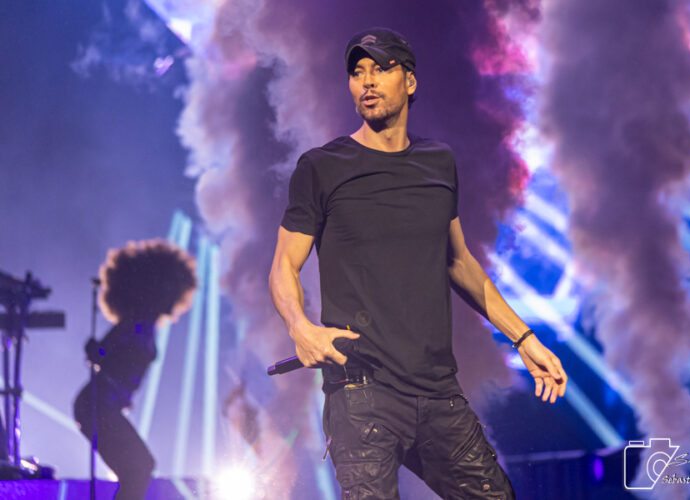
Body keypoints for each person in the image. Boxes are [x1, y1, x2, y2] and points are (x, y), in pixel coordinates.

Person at [268, 27, 568, 499]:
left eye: (381, 69)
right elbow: (283, 266)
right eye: (357, 72)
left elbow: (459, 261)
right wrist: (300, 328)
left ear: (409, 81)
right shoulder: (322, 166)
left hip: (437, 392)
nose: (367, 81)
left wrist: (523, 338)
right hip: (361, 393)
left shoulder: (438, 162)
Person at [74, 239, 196, 500]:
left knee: (138, 468)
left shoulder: (146, 324)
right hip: (96, 404)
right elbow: (100, 352)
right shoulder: (135, 322)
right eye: (167, 286)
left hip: (105, 406)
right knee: (140, 468)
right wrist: (98, 352)